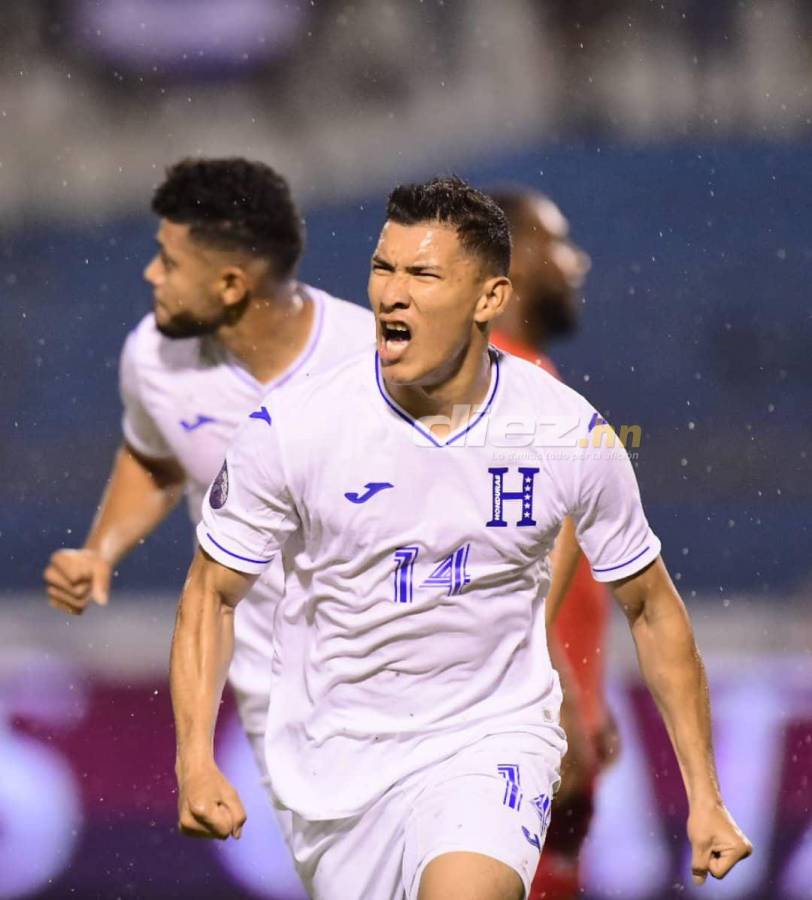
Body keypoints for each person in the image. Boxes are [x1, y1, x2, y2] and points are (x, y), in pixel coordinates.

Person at [170, 175, 751, 900]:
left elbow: (652, 606)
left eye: (423, 274)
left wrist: (705, 794)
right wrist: (194, 757)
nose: (391, 294)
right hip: (342, 761)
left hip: (493, 741)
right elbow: (210, 592)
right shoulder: (295, 426)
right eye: (384, 268)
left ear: (489, 299)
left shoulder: (566, 430)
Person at [43, 156, 373, 787]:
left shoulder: (377, 365)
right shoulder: (154, 357)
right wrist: (101, 550)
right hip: (275, 698)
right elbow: (155, 458)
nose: (150, 274)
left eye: (169, 262)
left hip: (406, 683)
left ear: (230, 285)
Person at [488, 187, 611, 899]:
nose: (577, 262)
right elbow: (495, 564)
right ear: (518, 259)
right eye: (560, 244)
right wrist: (562, 696)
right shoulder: (499, 388)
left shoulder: (525, 379)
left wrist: (591, 699)